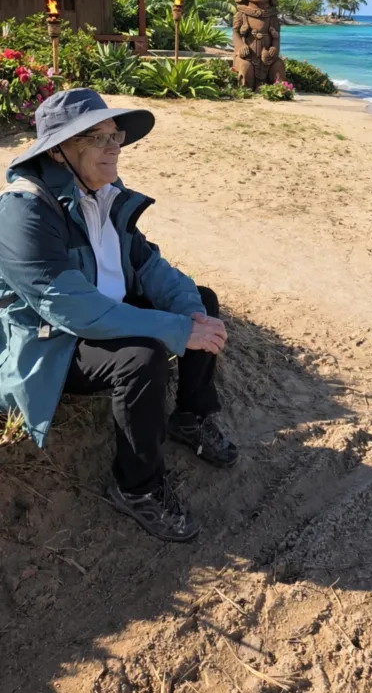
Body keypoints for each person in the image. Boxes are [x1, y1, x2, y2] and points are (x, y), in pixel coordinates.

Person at [0, 88, 238, 543]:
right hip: (53, 341)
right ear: (58, 151)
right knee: (140, 357)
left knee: (201, 300)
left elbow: (148, 264)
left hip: (105, 313)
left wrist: (190, 313)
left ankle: (191, 416)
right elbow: (69, 308)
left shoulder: (105, 194)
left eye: (116, 135)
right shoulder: (24, 211)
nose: (114, 147)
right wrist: (176, 329)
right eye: (97, 137)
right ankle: (137, 486)